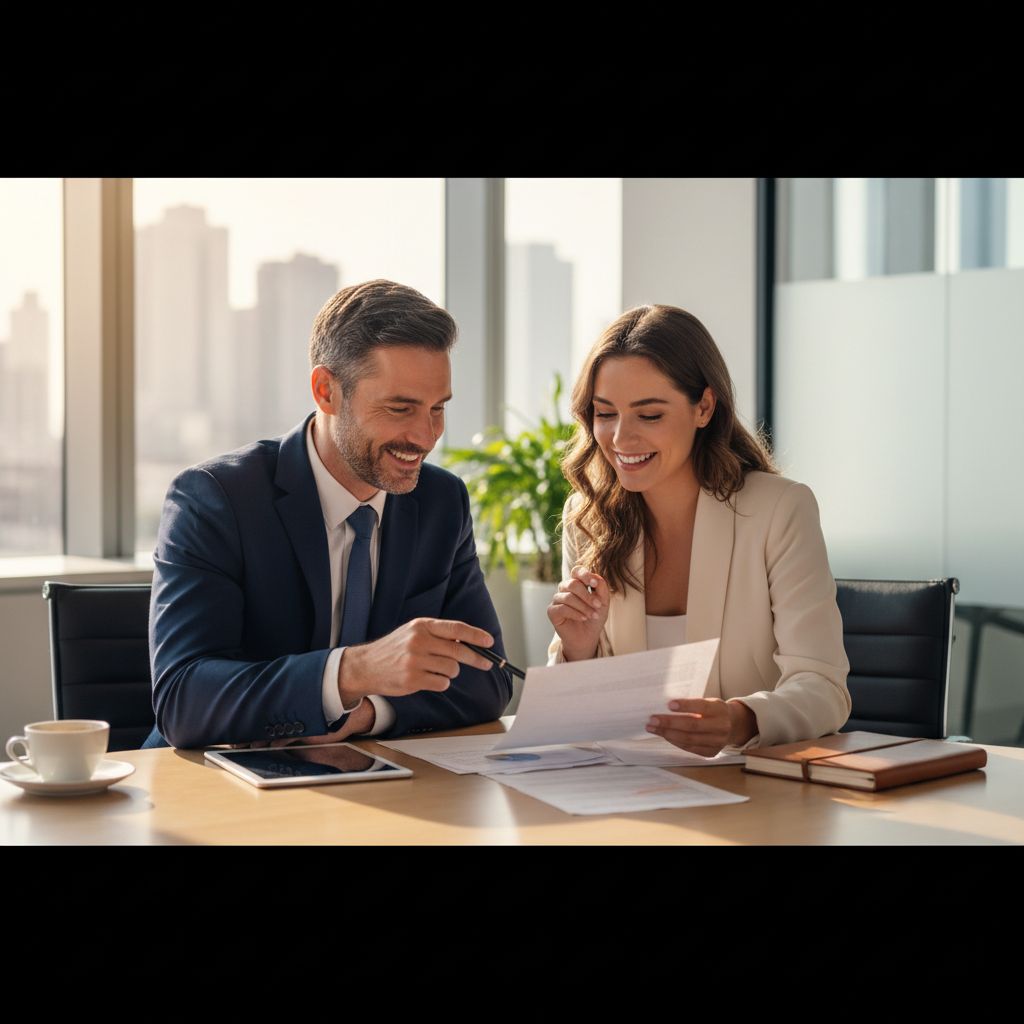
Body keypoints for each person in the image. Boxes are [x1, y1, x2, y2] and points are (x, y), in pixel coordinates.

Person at [144, 280, 511, 749]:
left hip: (370, 782)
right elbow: (184, 700)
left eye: (437, 409)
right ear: (326, 391)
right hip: (216, 787)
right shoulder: (216, 499)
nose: (425, 436)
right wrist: (353, 673)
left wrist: (371, 713)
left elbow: (488, 679)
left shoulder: (441, 502)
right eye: (400, 408)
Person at [546, 304, 850, 755]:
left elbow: (824, 688)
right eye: (605, 413)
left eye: (649, 415)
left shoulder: (779, 510)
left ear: (704, 407)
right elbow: (574, 719)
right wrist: (578, 651)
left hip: (756, 795)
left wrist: (740, 720)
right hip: (632, 788)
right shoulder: (588, 520)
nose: (620, 439)